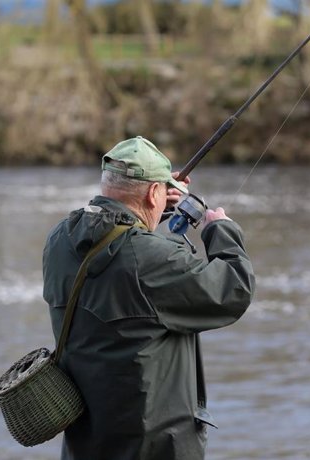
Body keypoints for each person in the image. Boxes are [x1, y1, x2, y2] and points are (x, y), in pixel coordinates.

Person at [42, 136, 255, 460]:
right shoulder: (151, 259)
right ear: (154, 192)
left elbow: (122, 260)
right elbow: (234, 290)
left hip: (87, 445)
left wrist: (153, 211)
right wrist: (220, 229)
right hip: (156, 447)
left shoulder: (59, 240)